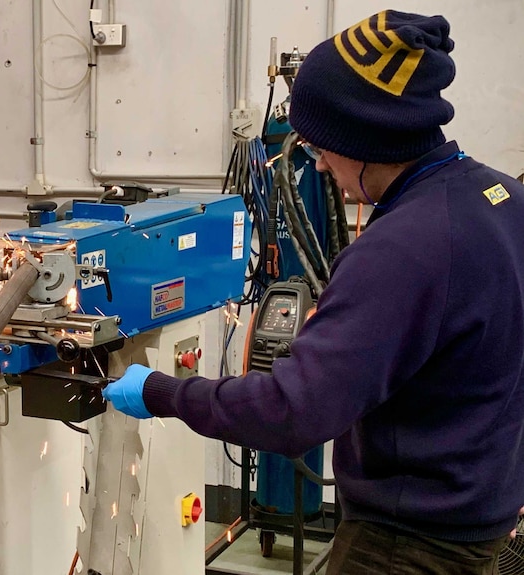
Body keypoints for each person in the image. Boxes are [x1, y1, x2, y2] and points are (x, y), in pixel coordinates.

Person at [103, 9, 524, 574]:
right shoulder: (500, 199)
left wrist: (160, 392)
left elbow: (289, 413)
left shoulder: (401, 249)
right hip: (481, 519)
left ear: (367, 135)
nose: (319, 162)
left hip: (405, 547)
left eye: (324, 144)